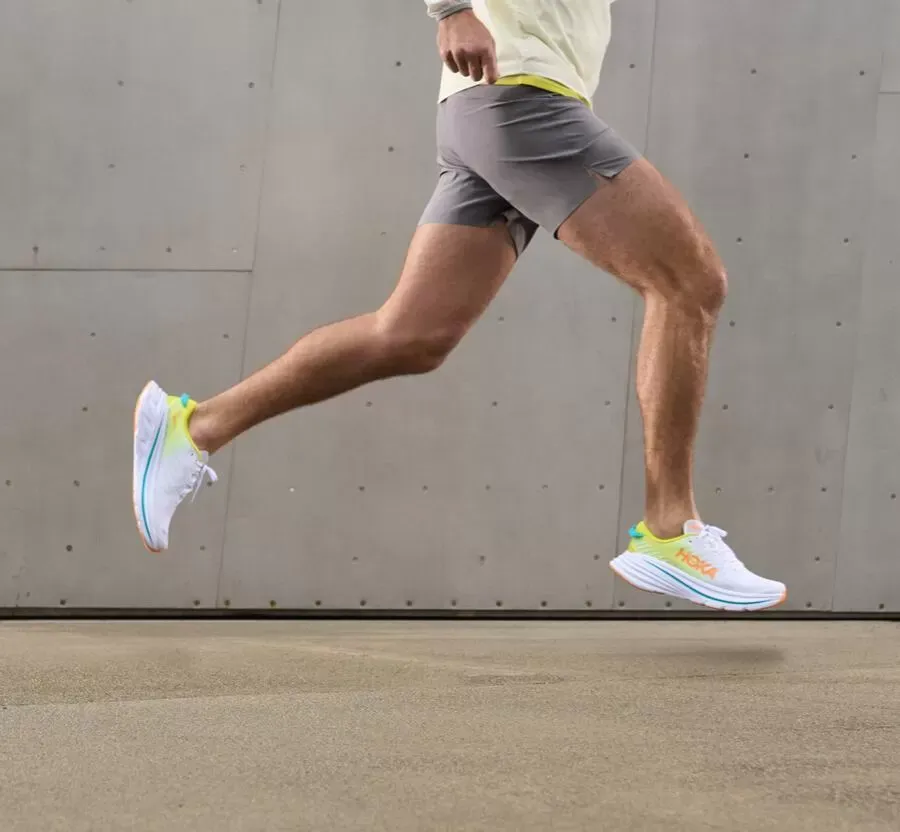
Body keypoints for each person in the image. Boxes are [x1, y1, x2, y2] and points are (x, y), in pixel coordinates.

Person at [132, 0, 786, 611]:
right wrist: (452, 9)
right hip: (522, 96)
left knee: (410, 335)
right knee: (690, 283)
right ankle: (670, 528)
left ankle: (193, 428)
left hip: (497, 105)